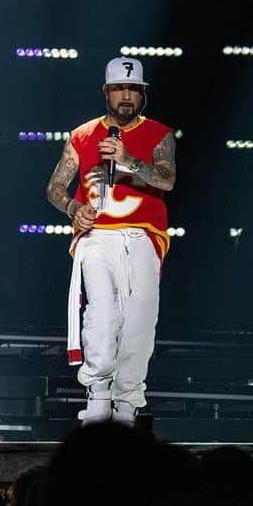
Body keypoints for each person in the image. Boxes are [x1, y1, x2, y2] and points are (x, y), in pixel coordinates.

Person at [45, 56, 176, 425]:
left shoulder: (159, 134)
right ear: (106, 91)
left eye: (133, 89)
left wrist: (128, 159)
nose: (126, 96)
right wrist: (72, 207)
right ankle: (98, 392)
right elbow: (55, 187)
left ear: (142, 94)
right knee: (101, 312)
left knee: (140, 317)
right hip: (97, 234)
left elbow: (167, 180)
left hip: (143, 234)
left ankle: (127, 400)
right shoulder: (83, 135)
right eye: (120, 88)